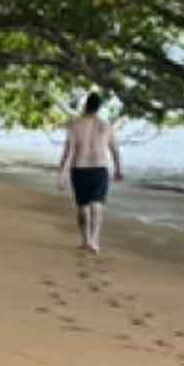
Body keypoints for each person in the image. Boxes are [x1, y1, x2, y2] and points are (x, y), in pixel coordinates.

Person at [57, 92, 123, 254]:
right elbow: (115, 150)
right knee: (97, 205)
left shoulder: (75, 125)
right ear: (99, 107)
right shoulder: (106, 126)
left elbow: (68, 151)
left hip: (79, 168)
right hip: (100, 168)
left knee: (82, 206)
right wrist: (119, 169)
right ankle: (94, 240)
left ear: (86, 105)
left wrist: (62, 174)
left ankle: (85, 240)